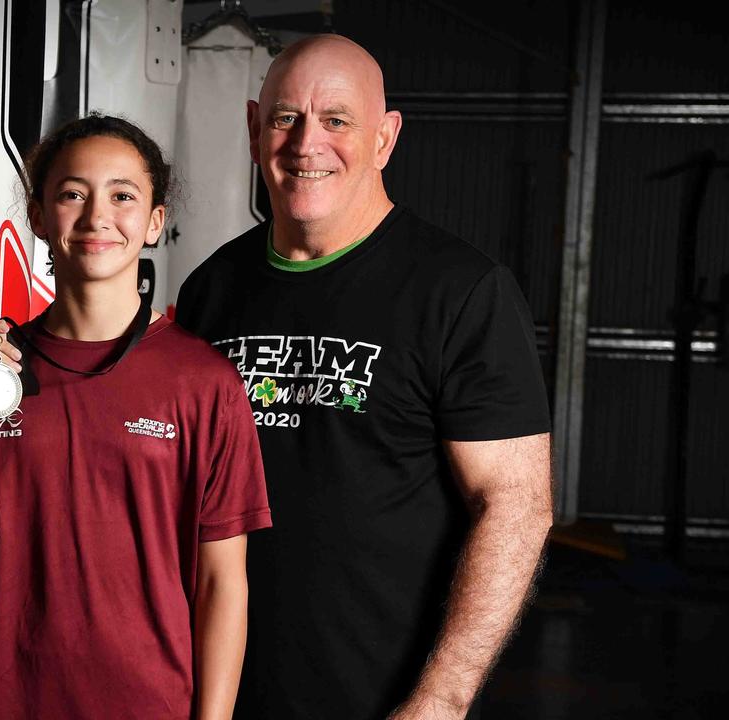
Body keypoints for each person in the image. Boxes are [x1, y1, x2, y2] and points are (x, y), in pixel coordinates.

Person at [176, 34, 553, 720]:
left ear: (384, 139)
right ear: (254, 127)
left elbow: (514, 505)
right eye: (286, 118)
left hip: (387, 699)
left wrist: (441, 698)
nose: (305, 143)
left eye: (336, 120)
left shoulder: (460, 293)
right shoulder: (211, 289)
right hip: (221, 695)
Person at [0, 114, 272, 720]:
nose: (96, 217)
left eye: (122, 195)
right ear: (37, 216)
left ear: (155, 222)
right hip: (8, 704)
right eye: (71, 194)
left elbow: (223, 584)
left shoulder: (205, 383)